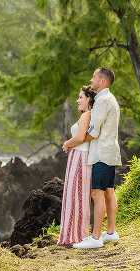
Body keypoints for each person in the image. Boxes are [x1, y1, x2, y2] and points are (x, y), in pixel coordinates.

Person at [72, 66, 122, 249]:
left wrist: (75, 142)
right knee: (109, 191)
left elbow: (93, 131)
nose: (91, 80)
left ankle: (95, 237)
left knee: (97, 193)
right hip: (110, 151)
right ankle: (110, 232)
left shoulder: (102, 100)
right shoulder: (111, 99)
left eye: (94, 77)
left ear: (102, 81)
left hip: (102, 153)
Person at [57, 86, 96, 246]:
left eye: (81, 97)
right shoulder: (86, 115)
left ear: (88, 99)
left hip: (80, 157)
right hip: (78, 156)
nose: (77, 100)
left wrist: (67, 143)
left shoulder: (87, 115)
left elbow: (80, 137)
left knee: (77, 196)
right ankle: (75, 234)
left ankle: (77, 235)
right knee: (75, 195)